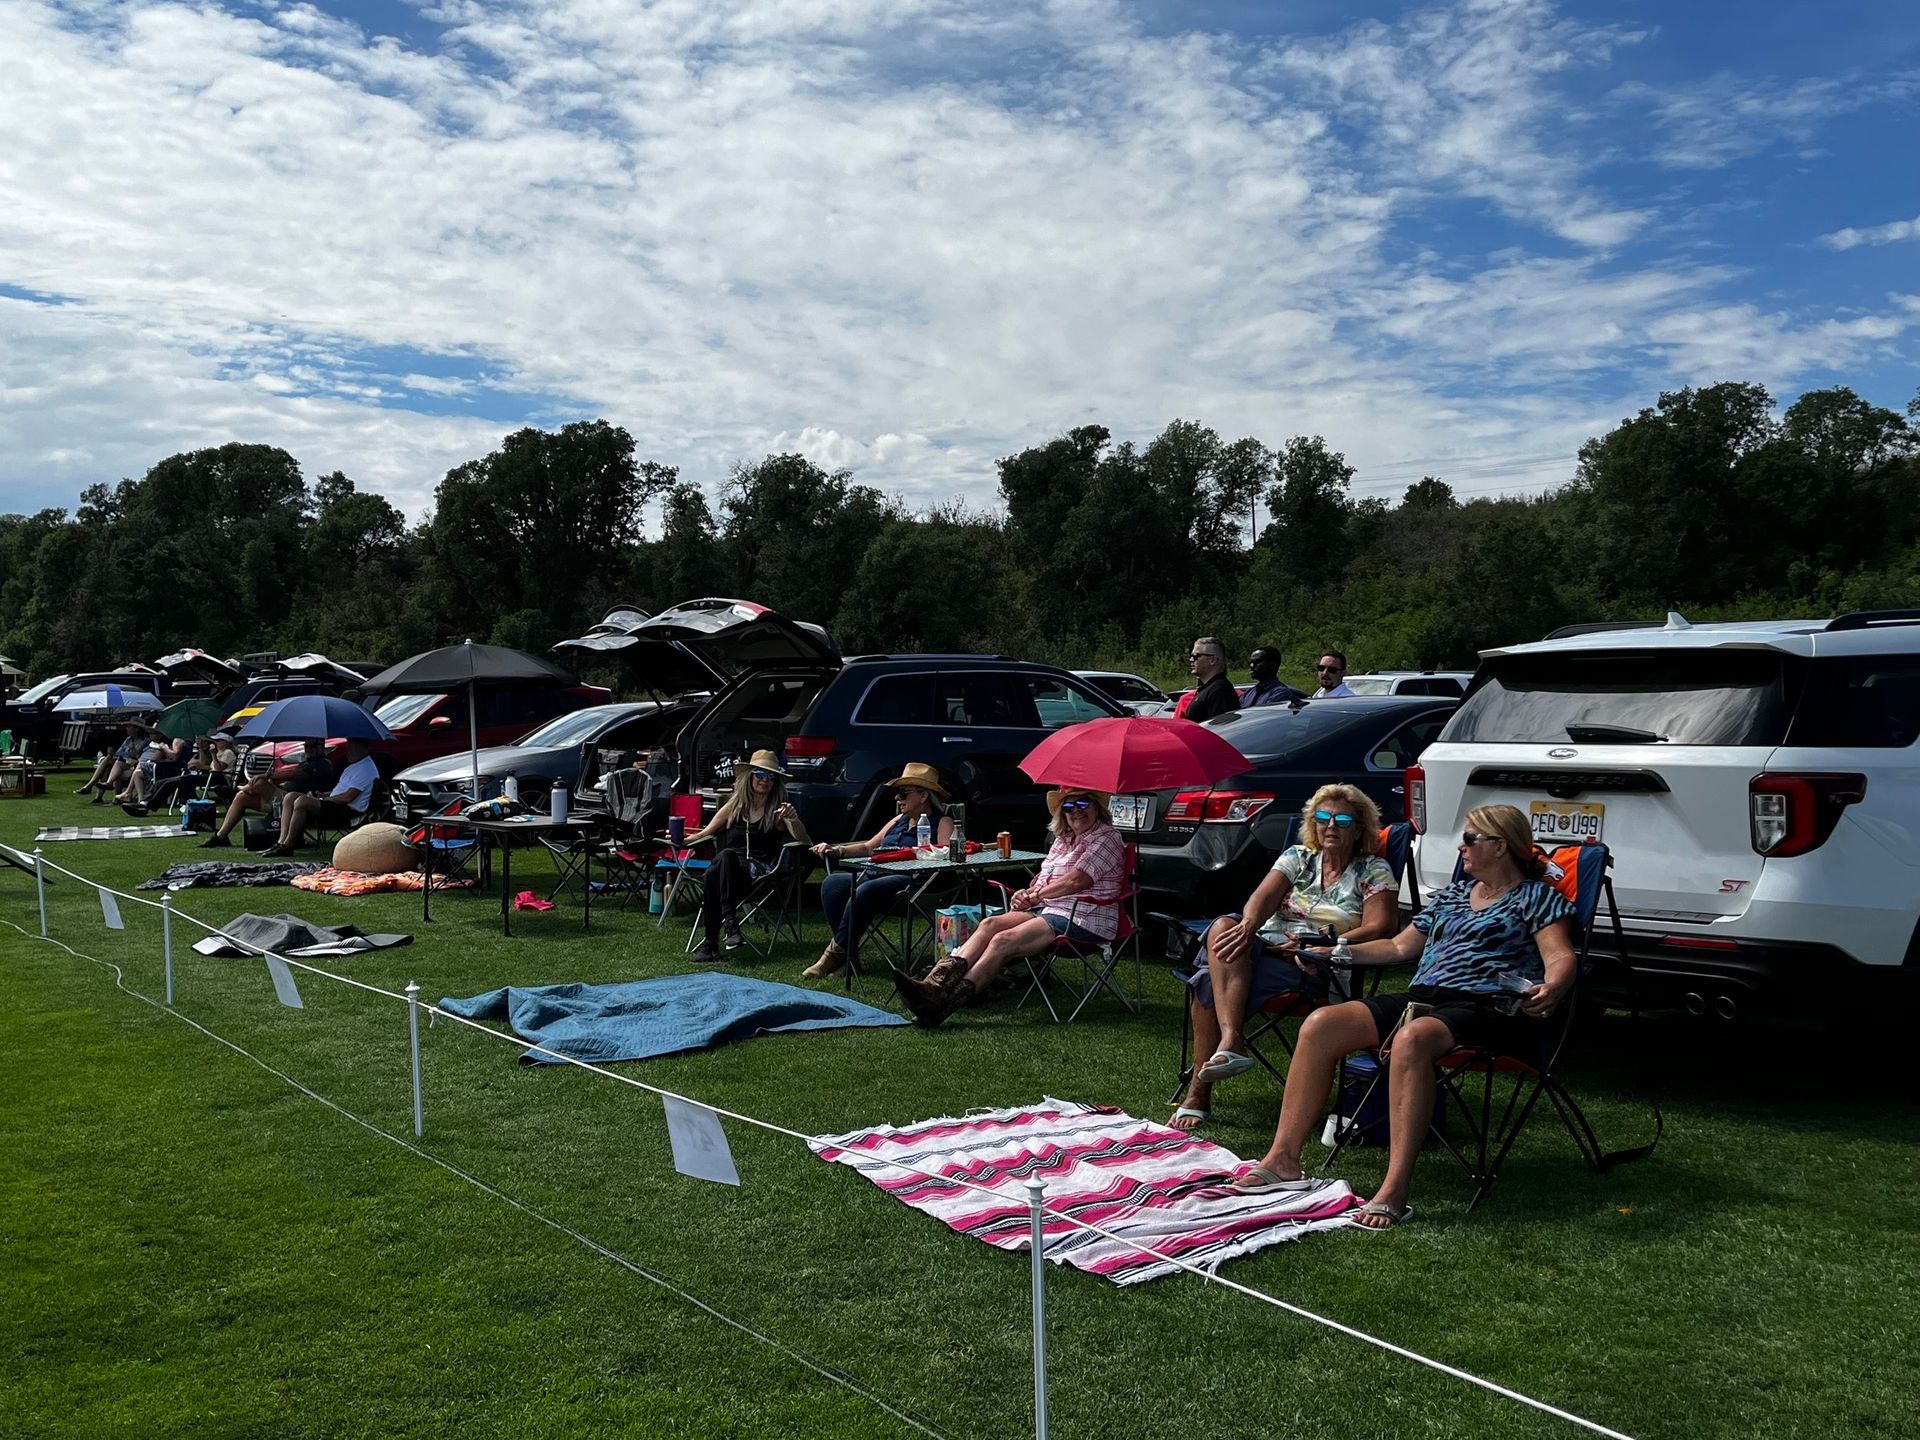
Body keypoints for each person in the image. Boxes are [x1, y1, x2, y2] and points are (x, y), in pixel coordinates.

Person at [1228, 804, 1575, 1229]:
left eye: (1470, 839)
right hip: (1424, 997)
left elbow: (1559, 955)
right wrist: (1337, 953)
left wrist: (1554, 985)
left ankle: (1393, 1188)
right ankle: (1283, 1158)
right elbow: (1398, 949)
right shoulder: (1450, 896)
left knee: (1412, 1038)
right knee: (1321, 1025)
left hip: (1488, 1006)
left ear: (1500, 846)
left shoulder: (1536, 897)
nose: (1461, 848)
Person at [1170, 785, 1397, 1131]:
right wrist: (1248, 926)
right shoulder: (1298, 856)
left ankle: (1199, 1094)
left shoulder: (1373, 869)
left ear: (1360, 828)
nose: (1330, 825)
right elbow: (1262, 898)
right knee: (1224, 928)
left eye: (1342, 819)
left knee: (1206, 979)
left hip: (1318, 962)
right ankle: (1231, 1039)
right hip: (1265, 947)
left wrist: (1324, 941)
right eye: (1323, 818)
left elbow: (1381, 926)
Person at [893, 787, 1125, 1027]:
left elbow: (1078, 880)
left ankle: (942, 1005)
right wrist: (1025, 893)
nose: (1075, 811)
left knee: (1002, 941)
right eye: (1068, 806)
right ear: (1061, 813)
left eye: (1083, 804)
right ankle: (931, 987)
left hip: (1084, 917)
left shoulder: (1107, 837)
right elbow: (1044, 878)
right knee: (989, 924)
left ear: (1097, 807)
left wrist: (1035, 896)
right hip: (1049, 910)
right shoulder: (1063, 840)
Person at [805, 762, 954, 979]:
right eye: (897, 794)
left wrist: (916, 853)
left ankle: (833, 955)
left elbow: (946, 855)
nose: (897, 799)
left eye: (903, 793)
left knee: (864, 890)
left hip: (912, 884)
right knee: (832, 884)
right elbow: (868, 847)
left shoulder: (942, 822)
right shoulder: (897, 820)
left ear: (924, 796)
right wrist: (836, 850)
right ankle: (850, 959)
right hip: (878, 877)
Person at [684, 749, 812, 962]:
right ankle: (728, 930)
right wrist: (678, 839)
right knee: (719, 866)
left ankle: (712, 941)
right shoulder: (735, 806)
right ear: (750, 776)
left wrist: (794, 819)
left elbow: (803, 839)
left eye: (771, 777)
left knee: (719, 865)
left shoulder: (778, 811)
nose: (765, 781)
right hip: (727, 872)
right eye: (760, 775)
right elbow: (705, 834)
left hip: (756, 874)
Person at [199, 738, 335, 849]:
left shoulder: (322, 764)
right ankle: (221, 836)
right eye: (306, 745)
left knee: (259, 783)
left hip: (297, 800)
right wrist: (270, 777)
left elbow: (294, 774)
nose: (307, 748)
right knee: (242, 797)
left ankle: (242, 788)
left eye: (311, 746)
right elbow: (287, 777)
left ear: (321, 747)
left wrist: (269, 775)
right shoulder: (307, 762)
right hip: (282, 797)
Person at [262, 738, 380, 855]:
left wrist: (321, 799)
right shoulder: (353, 767)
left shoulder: (366, 769)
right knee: (290, 797)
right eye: (348, 748)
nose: (348, 752)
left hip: (348, 811)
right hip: (335, 804)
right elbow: (338, 792)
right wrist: (320, 794)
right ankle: (281, 842)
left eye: (351, 749)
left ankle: (288, 845)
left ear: (363, 749)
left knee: (302, 802)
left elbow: (347, 798)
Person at [76, 722, 146, 802]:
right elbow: (120, 752)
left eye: (129, 726)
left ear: (137, 729)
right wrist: (117, 754)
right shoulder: (129, 739)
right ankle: (100, 795)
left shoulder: (144, 741)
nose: (126, 728)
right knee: (108, 765)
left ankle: (91, 786)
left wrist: (119, 754)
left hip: (134, 764)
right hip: (125, 762)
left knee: (110, 759)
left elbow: (135, 753)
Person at [1178, 636, 1238, 722]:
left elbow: (1221, 727)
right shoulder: (1207, 689)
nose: (1191, 660)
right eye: (1191, 656)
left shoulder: (1219, 690)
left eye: (1196, 656)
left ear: (1212, 660)